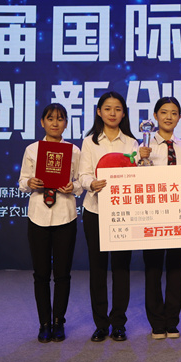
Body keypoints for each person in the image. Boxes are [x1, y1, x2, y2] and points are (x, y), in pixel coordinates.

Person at [18, 103, 82, 343]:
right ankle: (44, 323)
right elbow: (22, 181)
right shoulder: (32, 149)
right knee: (41, 273)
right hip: (38, 216)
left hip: (65, 215)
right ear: (42, 122)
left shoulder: (74, 150)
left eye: (60, 118)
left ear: (66, 124)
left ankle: (58, 322)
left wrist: (73, 186)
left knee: (63, 274)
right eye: (50, 118)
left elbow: (80, 182)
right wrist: (30, 183)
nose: (55, 123)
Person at [78, 91, 139, 342]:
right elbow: (83, 175)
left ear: (124, 113)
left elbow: (137, 176)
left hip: (123, 213)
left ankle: (119, 323)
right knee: (98, 268)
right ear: (99, 112)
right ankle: (101, 324)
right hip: (95, 210)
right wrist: (91, 183)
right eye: (107, 108)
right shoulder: (89, 142)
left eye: (117, 109)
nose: (112, 113)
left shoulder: (132, 143)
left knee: (122, 268)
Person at [137, 97, 181, 339]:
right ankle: (157, 322)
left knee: (176, 270)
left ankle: (172, 321)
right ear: (155, 116)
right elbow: (134, 179)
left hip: (179, 215)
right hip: (152, 216)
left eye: (174, 113)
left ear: (179, 117)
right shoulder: (144, 145)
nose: (169, 117)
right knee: (153, 269)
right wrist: (139, 159)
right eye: (164, 112)